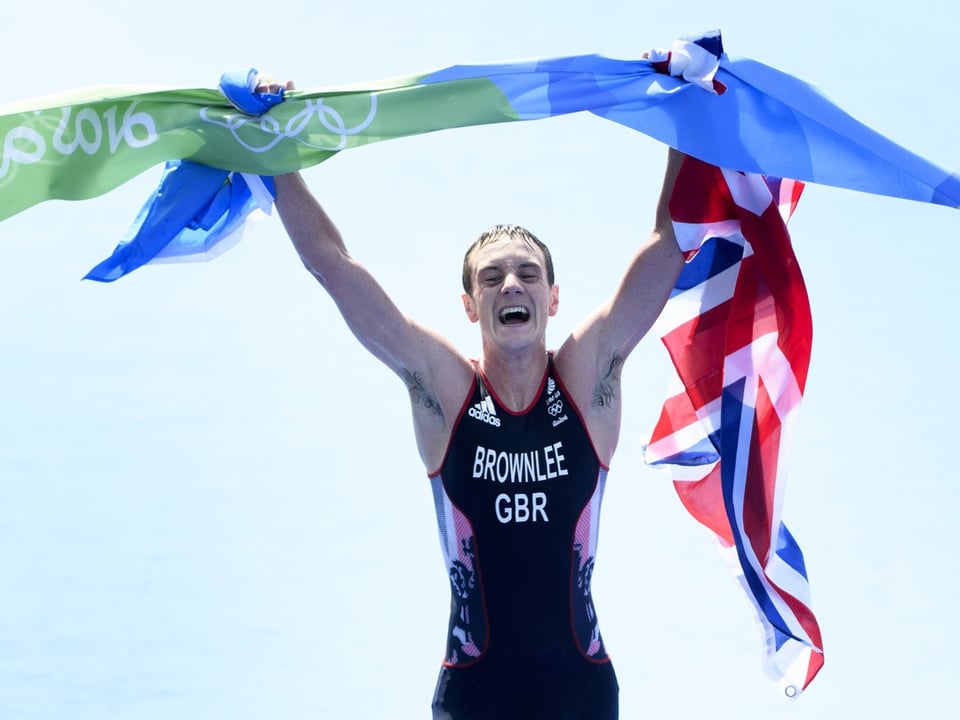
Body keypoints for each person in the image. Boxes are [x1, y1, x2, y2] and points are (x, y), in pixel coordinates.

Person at [267, 79, 687, 720]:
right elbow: (333, 263)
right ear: (470, 304)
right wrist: (274, 152)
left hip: (580, 687)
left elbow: (669, 242)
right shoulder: (445, 389)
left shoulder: (585, 377)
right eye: (491, 277)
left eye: (526, 274)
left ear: (552, 300)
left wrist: (688, 112)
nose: (508, 284)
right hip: (475, 692)